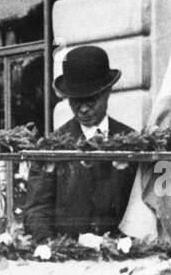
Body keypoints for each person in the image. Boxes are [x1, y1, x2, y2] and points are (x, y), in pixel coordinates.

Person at [23, 46, 138, 240]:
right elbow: (37, 209)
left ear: (107, 92)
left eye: (91, 100)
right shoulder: (52, 147)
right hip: (70, 262)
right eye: (75, 101)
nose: (83, 109)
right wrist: (51, 246)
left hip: (124, 260)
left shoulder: (132, 141)